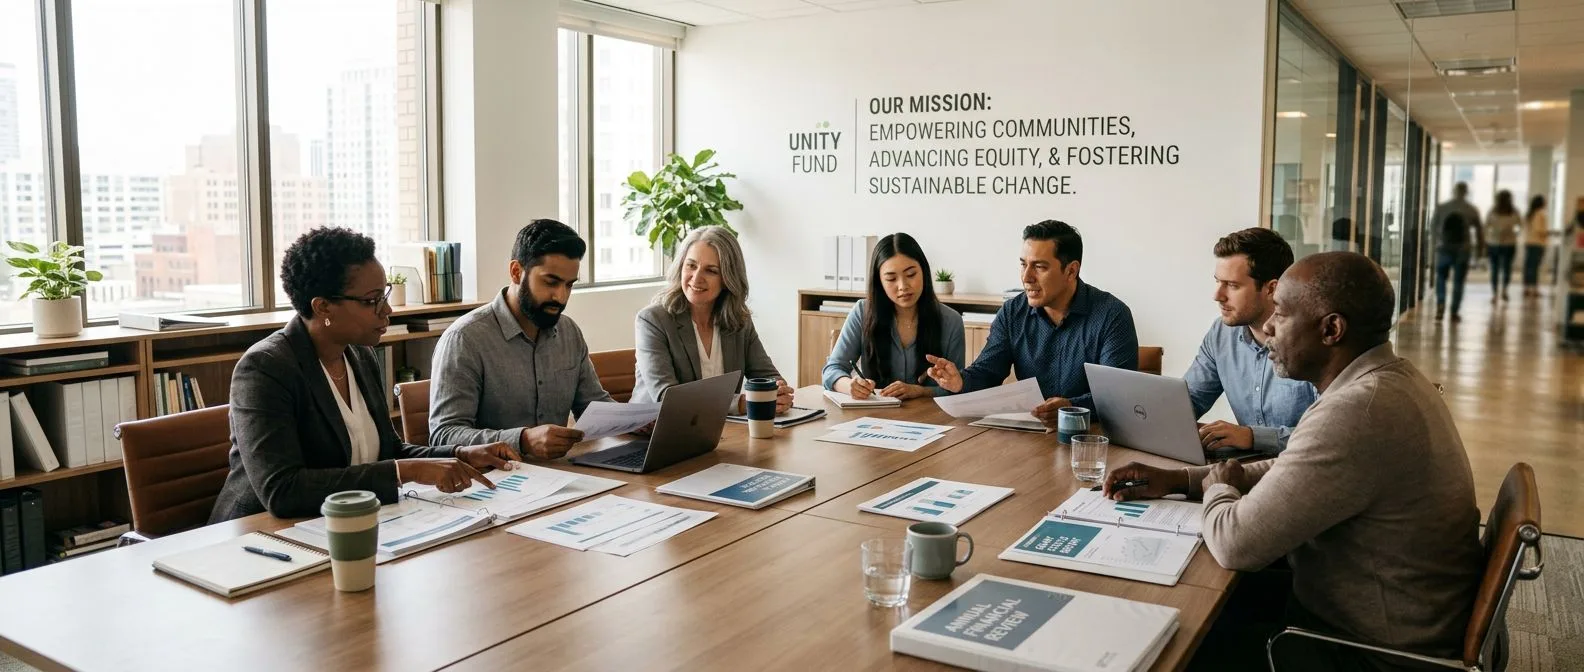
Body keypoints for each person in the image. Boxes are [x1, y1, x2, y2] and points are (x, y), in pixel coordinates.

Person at [1105, 252, 1484, 671]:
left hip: (1364, 652)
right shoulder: (1389, 379)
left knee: (1171, 640)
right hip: (1381, 614)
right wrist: (1182, 479)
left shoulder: (1357, 411)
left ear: (1331, 330)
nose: (1267, 328)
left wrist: (1218, 488)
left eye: (1281, 315)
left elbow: (1236, 545)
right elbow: (1291, 471)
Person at [210, 228, 519, 522]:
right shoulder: (265, 369)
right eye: (372, 301)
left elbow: (389, 451)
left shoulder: (359, 355)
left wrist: (460, 454)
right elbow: (283, 490)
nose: (387, 311)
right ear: (323, 307)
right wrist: (405, 472)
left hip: (344, 524)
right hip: (259, 537)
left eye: (383, 296)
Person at [925, 220, 1138, 429]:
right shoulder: (1012, 313)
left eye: (1039, 267)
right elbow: (988, 372)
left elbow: (1116, 396)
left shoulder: (1112, 315)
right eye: (1023, 264)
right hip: (1031, 437)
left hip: (1090, 438)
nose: (1026, 277)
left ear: (1071, 271)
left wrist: (1071, 408)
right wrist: (960, 381)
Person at [428, 219, 609, 461]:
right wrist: (522, 440)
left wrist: (643, 421)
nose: (561, 296)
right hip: (493, 482)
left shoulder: (568, 332)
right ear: (516, 272)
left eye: (569, 285)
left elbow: (593, 406)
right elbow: (443, 435)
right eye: (551, 282)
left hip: (559, 476)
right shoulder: (465, 339)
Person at [1185, 228, 1317, 456]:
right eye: (1218, 282)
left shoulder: (1314, 342)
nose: (1218, 295)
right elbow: (1187, 403)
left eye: (1232, 285)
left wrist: (1252, 437)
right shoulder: (1220, 334)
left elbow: (1330, 435)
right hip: (1243, 469)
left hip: (1302, 471)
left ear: (1271, 288)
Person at [633, 226, 794, 412]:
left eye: (711, 270)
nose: (696, 278)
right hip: (653, 432)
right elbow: (668, 396)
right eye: (691, 265)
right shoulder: (652, 320)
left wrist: (777, 392)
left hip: (720, 432)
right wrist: (742, 402)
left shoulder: (739, 321)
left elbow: (768, 375)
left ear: (727, 278)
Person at [823, 233, 966, 400]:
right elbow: (832, 370)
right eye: (891, 278)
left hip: (931, 419)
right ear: (879, 282)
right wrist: (849, 386)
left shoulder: (951, 321)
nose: (903, 286)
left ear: (924, 272)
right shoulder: (863, 312)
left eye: (911, 274)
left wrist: (920, 391)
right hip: (873, 418)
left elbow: (959, 387)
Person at [1429, 182, 1484, 322]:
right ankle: (1454, 311)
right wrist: (1480, 251)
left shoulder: (1442, 208)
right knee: (1458, 281)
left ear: (1454, 191)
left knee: (1441, 277)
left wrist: (1436, 244)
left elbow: (1433, 228)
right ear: (1466, 192)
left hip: (1443, 248)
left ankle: (1440, 302)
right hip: (1463, 249)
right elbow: (1479, 232)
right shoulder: (1472, 209)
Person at [1486, 189, 1522, 302]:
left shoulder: (1493, 211)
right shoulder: (1514, 211)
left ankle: (1494, 294)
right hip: (1509, 243)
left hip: (1493, 243)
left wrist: (1491, 234)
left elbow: (1487, 225)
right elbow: (1520, 225)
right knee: (1507, 268)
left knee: (1495, 269)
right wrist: (1514, 233)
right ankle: (1505, 291)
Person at [1522, 194, 1549, 298]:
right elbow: (1539, 230)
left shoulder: (1529, 214)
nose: (1546, 203)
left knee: (1528, 267)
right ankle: (1534, 290)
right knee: (1534, 268)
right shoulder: (1540, 214)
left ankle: (1526, 288)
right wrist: (1547, 232)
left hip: (1529, 242)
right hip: (1537, 243)